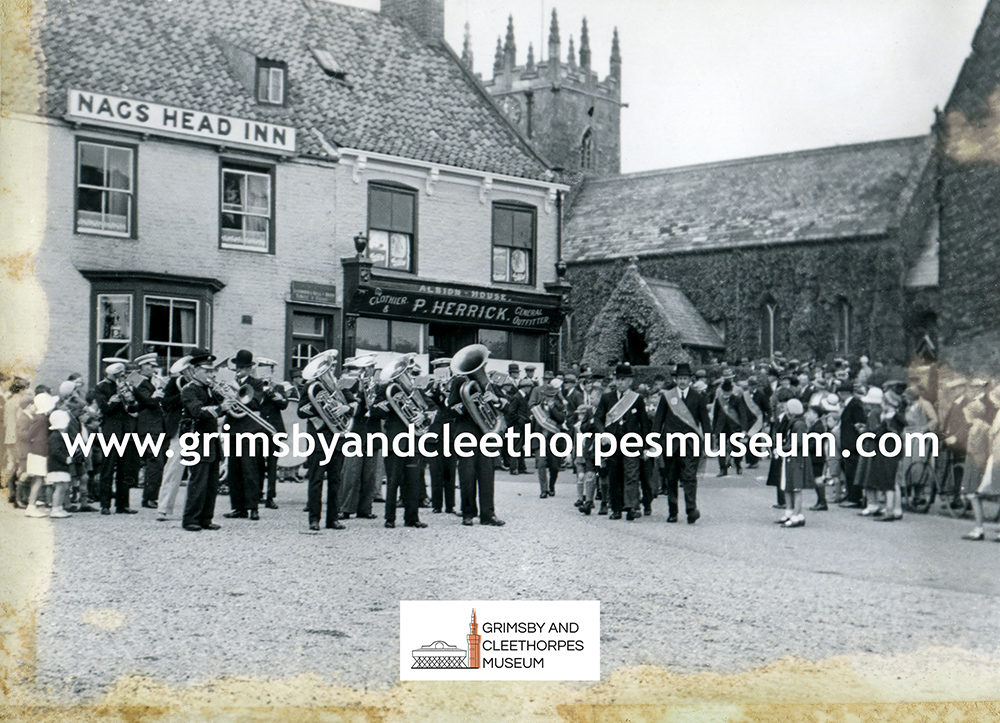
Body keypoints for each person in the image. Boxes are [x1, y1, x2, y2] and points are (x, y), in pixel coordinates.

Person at [448, 345, 505, 527]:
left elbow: (506, 405)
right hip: (466, 434)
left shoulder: (491, 384)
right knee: (466, 474)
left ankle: (488, 514)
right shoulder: (459, 382)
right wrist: (469, 405)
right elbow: (451, 408)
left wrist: (496, 400)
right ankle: (468, 513)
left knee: (487, 475)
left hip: (486, 435)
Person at [371, 355, 431, 529]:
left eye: (408, 373)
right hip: (395, 441)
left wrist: (423, 415)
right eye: (405, 372)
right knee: (393, 480)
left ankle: (412, 518)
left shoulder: (416, 391)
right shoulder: (385, 389)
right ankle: (390, 518)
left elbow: (432, 408)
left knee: (413, 481)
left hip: (413, 441)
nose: (408, 376)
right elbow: (374, 412)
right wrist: (391, 404)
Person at [298, 349, 352, 532]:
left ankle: (333, 519)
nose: (331, 370)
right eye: (329, 366)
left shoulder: (340, 386)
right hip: (319, 441)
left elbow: (352, 406)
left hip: (337, 440)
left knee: (336, 481)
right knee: (316, 481)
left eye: (332, 366)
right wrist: (322, 409)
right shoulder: (310, 386)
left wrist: (344, 408)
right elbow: (301, 411)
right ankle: (314, 519)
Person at [653, 362, 710, 524]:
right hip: (671, 443)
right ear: (676, 379)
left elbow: (705, 422)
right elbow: (659, 420)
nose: (683, 381)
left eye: (685, 378)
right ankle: (673, 511)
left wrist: (708, 441)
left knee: (690, 477)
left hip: (691, 444)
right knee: (671, 479)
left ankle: (691, 509)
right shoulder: (667, 397)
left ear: (690, 379)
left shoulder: (698, 397)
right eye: (680, 378)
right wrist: (654, 440)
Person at [178, 351, 225, 532]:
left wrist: (227, 398)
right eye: (207, 371)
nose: (211, 375)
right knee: (198, 481)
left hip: (211, 440)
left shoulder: (210, 390)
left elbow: (225, 406)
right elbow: (197, 411)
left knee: (212, 483)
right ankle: (190, 519)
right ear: (196, 370)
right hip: (196, 440)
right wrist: (221, 408)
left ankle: (206, 518)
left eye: (212, 372)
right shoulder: (189, 390)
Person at [596, 363, 649, 521]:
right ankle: (616, 508)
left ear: (630, 381)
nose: (620, 382)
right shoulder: (607, 398)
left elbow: (644, 423)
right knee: (615, 474)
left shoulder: (637, 399)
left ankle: (632, 507)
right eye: (617, 379)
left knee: (632, 473)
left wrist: (646, 446)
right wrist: (603, 434)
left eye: (623, 379)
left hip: (632, 442)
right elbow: (597, 419)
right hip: (612, 442)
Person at [222, 350, 267, 521]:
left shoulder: (256, 383)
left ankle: (253, 507)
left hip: (250, 430)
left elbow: (255, 403)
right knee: (234, 470)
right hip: (233, 428)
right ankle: (238, 508)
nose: (240, 369)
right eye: (238, 366)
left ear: (250, 368)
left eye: (244, 367)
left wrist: (236, 392)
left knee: (250, 469)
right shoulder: (230, 382)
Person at [93, 361, 139, 515]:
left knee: (124, 468)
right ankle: (104, 505)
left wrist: (130, 399)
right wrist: (114, 401)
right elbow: (104, 409)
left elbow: (133, 409)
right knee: (108, 468)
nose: (123, 377)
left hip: (125, 430)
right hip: (110, 431)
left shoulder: (126, 386)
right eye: (120, 375)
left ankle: (122, 505)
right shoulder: (101, 387)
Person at [133, 353, 167, 509]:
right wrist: (160, 392)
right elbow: (149, 402)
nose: (153, 369)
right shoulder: (138, 382)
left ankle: (150, 496)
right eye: (150, 366)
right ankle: (149, 498)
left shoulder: (148, 382)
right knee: (155, 462)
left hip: (155, 427)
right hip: (148, 427)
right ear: (143, 366)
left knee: (156, 462)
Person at [254, 358, 288, 510]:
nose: (265, 373)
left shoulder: (279, 387)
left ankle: (270, 496)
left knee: (273, 464)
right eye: (262, 369)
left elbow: (284, 404)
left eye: (268, 369)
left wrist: (271, 392)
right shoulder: (254, 387)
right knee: (258, 463)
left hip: (274, 430)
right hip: (258, 429)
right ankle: (258, 494)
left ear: (272, 372)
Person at [156, 358, 188, 522]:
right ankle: (164, 508)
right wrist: (184, 395)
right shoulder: (175, 382)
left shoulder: (206, 383)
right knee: (173, 469)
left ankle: (195, 510)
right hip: (180, 429)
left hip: (201, 428)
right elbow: (165, 403)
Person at [776, 398, 811, 527]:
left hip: (797, 458)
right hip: (791, 456)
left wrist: (783, 448)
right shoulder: (793, 422)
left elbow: (799, 443)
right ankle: (790, 511)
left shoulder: (798, 424)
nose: (785, 411)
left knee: (796, 487)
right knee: (788, 485)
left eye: (787, 409)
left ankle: (797, 514)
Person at [531, 382, 565, 499]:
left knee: (554, 467)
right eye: (548, 395)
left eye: (552, 396)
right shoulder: (537, 409)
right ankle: (543, 490)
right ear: (543, 395)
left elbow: (561, 419)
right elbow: (533, 426)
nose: (550, 398)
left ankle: (551, 486)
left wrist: (552, 409)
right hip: (540, 441)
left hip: (554, 441)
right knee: (541, 464)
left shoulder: (559, 406)